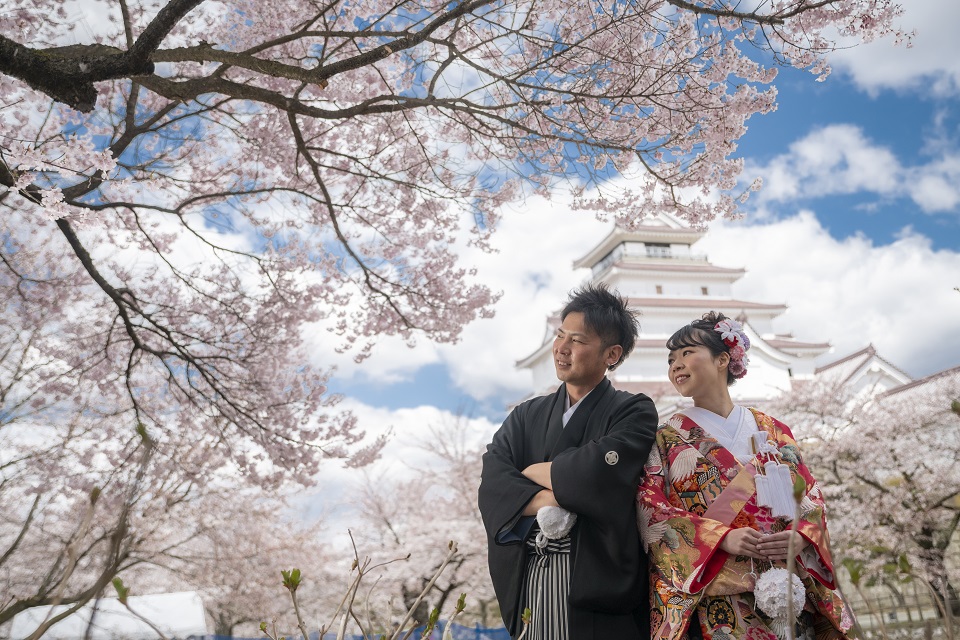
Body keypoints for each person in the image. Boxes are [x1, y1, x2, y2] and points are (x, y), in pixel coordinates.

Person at [638, 311, 857, 640]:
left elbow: (810, 496)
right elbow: (651, 510)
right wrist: (720, 537)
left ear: (722, 359)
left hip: (789, 588)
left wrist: (801, 535)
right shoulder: (665, 438)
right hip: (718, 599)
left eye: (687, 353)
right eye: (671, 360)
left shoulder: (773, 429)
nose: (675, 366)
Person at [478, 284, 658, 640]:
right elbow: (493, 484)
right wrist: (551, 495)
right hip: (531, 574)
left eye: (577, 340)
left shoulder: (633, 410)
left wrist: (532, 474)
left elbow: (598, 476)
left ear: (611, 354)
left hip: (594, 581)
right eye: (560, 335)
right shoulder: (526, 415)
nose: (561, 348)